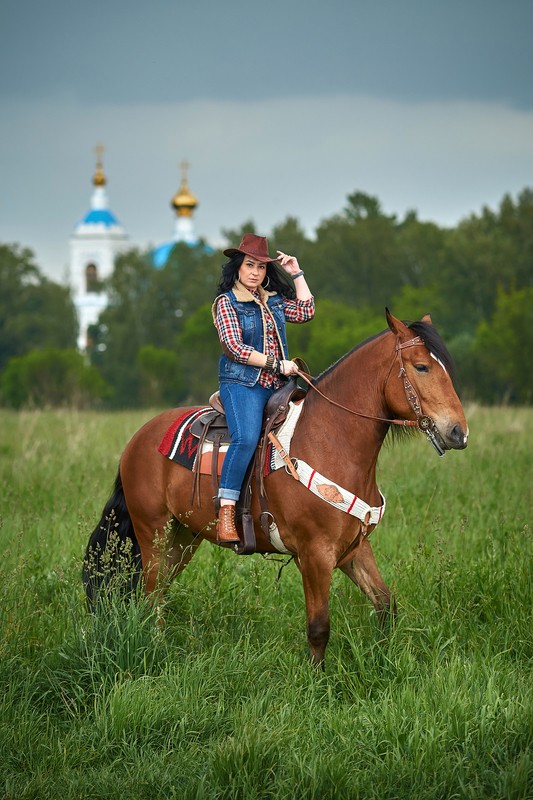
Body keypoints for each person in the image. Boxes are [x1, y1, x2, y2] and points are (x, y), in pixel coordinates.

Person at [212, 233, 315, 544]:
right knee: (244, 439)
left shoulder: (272, 300)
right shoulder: (226, 302)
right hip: (242, 384)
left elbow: (306, 311)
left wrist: (296, 273)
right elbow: (234, 347)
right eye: (249, 265)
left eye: (261, 267)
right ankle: (226, 511)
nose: (255, 272)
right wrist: (276, 363)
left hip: (278, 386)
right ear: (238, 268)